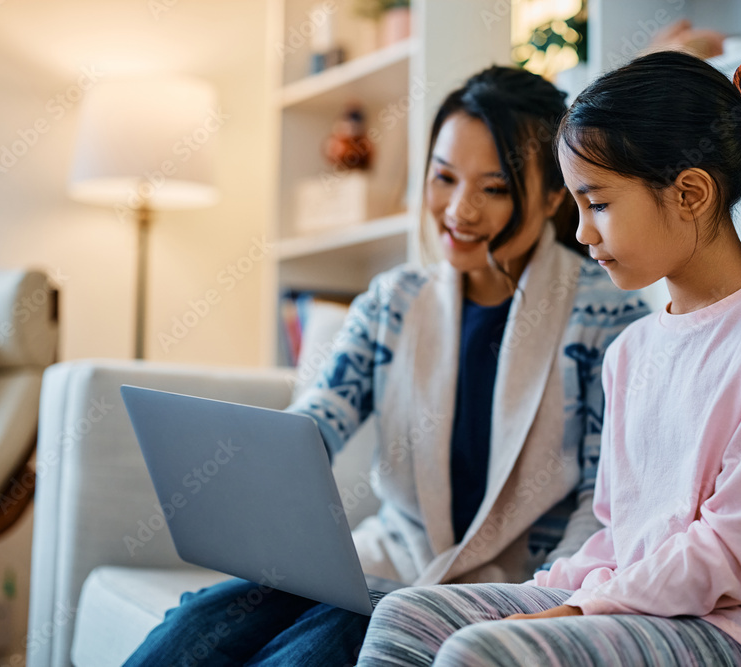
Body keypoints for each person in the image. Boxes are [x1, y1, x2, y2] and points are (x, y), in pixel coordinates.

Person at [355, 51, 741, 667]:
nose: (583, 232)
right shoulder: (631, 351)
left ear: (691, 193)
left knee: (486, 653)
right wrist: (536, 598)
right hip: (652, 606)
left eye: (599, 204)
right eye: (577, 206)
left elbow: (736, 550)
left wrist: (577, 611)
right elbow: (615, 540)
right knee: (408, 612)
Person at [123, 66, 647, 667]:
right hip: (384, 564)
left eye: (494, 188)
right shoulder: (394, 301)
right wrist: (254, 480)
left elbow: (602, 500)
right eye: (443, 178)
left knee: (314, 651)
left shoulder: (608, 313)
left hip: (513, 588)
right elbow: (316, 423)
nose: (459, 209)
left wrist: (554, 605)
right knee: (192, 629)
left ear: (554, 193)